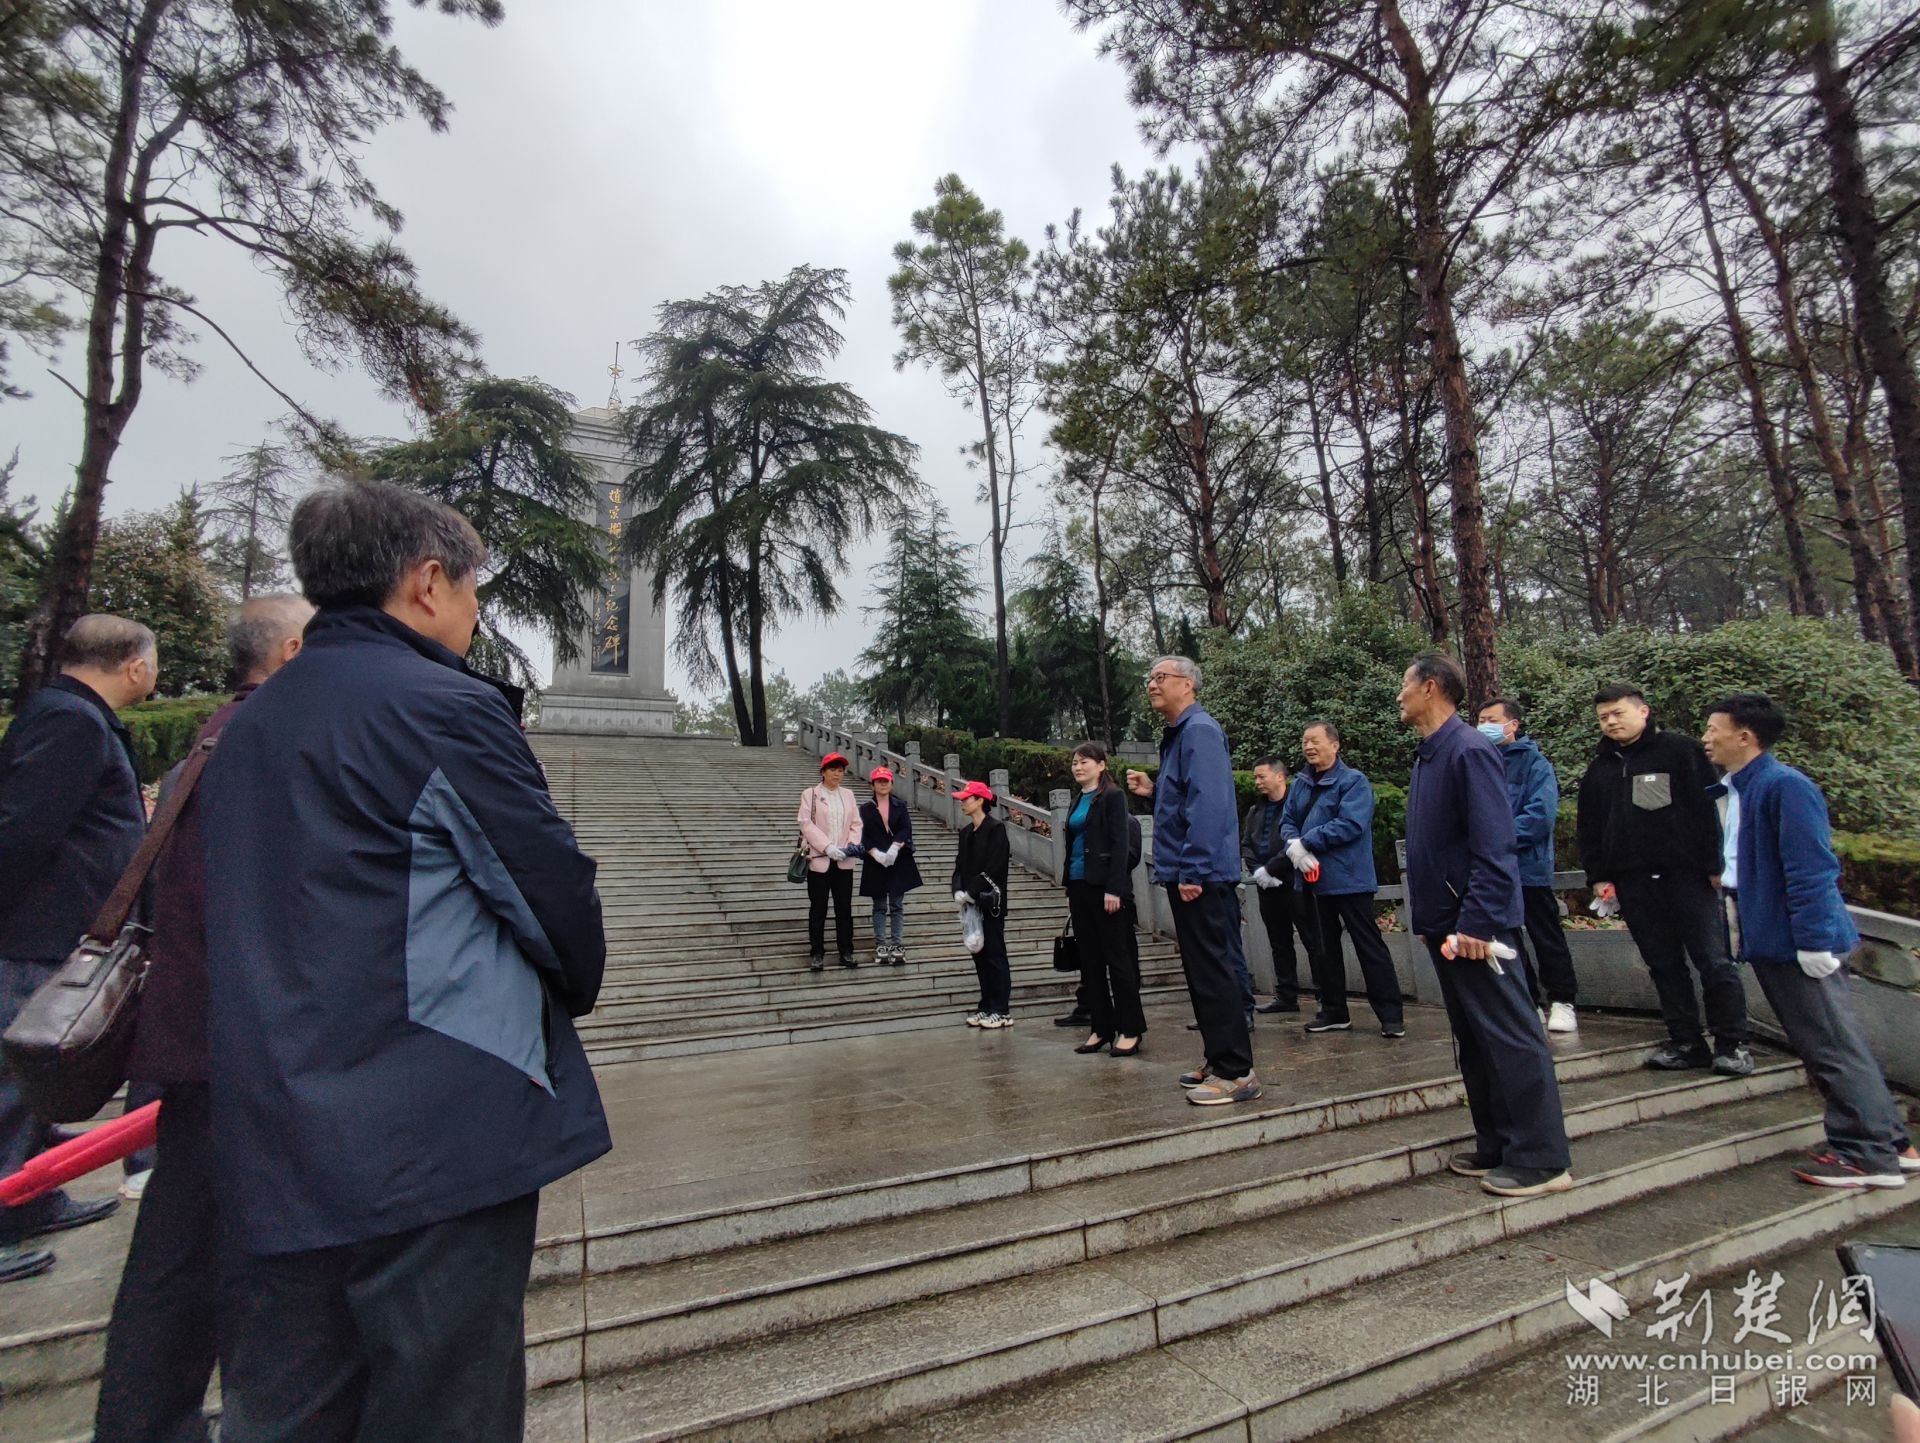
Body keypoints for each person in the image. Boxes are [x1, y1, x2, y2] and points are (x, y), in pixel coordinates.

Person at [200, 481, 611, 1443]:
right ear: (427, 582)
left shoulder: (246, 726)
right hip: (433, 1138)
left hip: (276, 1133)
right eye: (472, 589)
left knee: (288, 1411)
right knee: (443, 1407)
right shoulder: (443, 708)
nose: (475, 611)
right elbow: (550, 899)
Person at [92, 594, 314, 1443]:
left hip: (200, 1040)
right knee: (246, 1274)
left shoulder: (217, 735)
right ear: (291, 652)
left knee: (176, 1258)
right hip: (250, 1049)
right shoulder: (273, 740)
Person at [1702, 694, 1920, 1189]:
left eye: (1715, 729)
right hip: (1772, 935)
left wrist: (1815, 941)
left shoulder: (1784, 786)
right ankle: (1891, 1143)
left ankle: (1866, 1155)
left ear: (1745, 736)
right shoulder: (1741, 787)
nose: (1707, 738)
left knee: (1831, 1049)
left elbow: (1812, 869)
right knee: (1833, 1043)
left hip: (1796, 942)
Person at [0, 614, 157, 1283]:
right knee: (16, 1077)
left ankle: (31, 1197)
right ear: (134, 666)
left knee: (36, 1082)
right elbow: (22, 831)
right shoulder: (72, 722)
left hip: (60, 932)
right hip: (40, 935)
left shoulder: (71, 715)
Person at [1401, 652, 1574, 1199]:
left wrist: (1478, 920)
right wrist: (1429, 920)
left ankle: (1542, 1159)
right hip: (1446, 926)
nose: (1399, 695)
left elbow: (1494, 846)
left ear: (1431, 688)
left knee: (1509, 1036)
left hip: (1476, 927)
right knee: (1476, 1040)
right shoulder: (1430, 754)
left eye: (1405, 685)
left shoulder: (1469, 750)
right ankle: (1498, 1142)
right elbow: (1434, 848)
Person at [1578, 683, 1753, 1076]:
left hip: (1688, 876)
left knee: (1714, 961)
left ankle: (1733, 1043)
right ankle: (1686, 1041)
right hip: (1634, 882)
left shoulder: (1680, 751)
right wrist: (1598, 876)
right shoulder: (1601, 768)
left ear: (1643, 711)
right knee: (1662, 964)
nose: (1611, 722)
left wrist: (1715, 865)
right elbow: (1590, 828)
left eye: (1618, 713)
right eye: (1603, 717)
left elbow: (1710, 810)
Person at [1124, 656, 1260, 1106]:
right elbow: (1185, 799)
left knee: (1215, 971)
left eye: (1161, 677)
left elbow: (1210, 805)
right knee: (1202, 972)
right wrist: (1155, 791)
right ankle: (1219, 1058)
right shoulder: (1180, 735)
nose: (1152, 684)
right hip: (1188, 871)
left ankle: (1237, 1072)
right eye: (1150, 678)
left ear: (1188, 685)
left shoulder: (1199, 730)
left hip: (1201, 874)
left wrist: (1194, 869)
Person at [1282, 721, 1406, 1039]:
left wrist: (1307, 842)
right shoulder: (1300, 784)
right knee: (1323, 949)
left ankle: (1391, 1015)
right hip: (1313, 879)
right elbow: (1287, 820)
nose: (1309, 747)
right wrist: (1294, 846)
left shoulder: (1353, 782)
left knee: (1369, 946)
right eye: (1305, 741)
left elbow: (1350, 824)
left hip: (1350, 878)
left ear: (1335, 745)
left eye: (1315, 741)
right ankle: (1333, 1011)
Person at [1477, 697, 1579, 1033]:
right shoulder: (1479, 762)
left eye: (1492, 720)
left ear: (1513, 724)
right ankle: (1528, 1001)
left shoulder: (1536, 764)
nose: (1484, 726)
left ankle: (1563, 1000)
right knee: (1508, 940)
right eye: (1480, 720)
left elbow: (1540, 816)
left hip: (1528, 868)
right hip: (1493, 869)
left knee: (1545, 935)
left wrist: (1496, 839)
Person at [1063, 743, 1144, 1057]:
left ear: (1101, 765)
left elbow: (1120, 843)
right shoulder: (1077, 800)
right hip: (1079, 886)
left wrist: (1115, 888)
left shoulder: (1113, 796)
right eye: (1075, 762)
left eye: (1084, 762)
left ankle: (1130, 1029)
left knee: (1118, 959)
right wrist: (1069, 888)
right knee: (1091, 962)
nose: (1078, 767)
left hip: (1106, 889)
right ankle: (1100, 1028)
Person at [1242, 755, 1310, 1015]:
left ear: (1279, 776)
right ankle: (1286, 995)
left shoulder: (1296, 806)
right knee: (1278, 941)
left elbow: (1296, 843)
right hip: (1267, 885)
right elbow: (1247, 844)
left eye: (1262, 776)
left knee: (1311, 938)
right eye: (1256, 777)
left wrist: (1271, 867)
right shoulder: (1255, 810)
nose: (1257, 782)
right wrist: (1258, 871)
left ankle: (1325, 995)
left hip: (1295, 881)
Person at [952, 780, 1012, 1029]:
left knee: (995, 955)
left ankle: (1001, 1010)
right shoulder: (966, 832)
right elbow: (959, 866)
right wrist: (957, 889)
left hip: (990, 902)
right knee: (979, 955)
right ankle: (986, 1005)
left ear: (980, 800)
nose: (963, 803)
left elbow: (995, 866)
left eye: (967, 798)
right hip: (971, 904)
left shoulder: (996, 829)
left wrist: (972, 891)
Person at [799, 752, 863, 971]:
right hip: (820, 860)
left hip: (843, 860)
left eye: (841, 770)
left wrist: (849, 847)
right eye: (833, 769)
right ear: (823, 772)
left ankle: (846, 951)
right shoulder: (810, 794)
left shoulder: (848, 794)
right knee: (818, 908)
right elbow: (806, 824)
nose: (837, 774)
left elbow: (856, 823)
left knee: (844, 908)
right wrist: (827, 847)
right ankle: (817, 952)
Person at [858, 767, 922, 965]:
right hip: (875, 862)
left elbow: (905, 829)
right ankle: (881, 944)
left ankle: (897, 944)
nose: (883, 784)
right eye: (879, 781)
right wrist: (874, 852)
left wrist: (895, 847)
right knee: (879, 906)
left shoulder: (900, 806)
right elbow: (861, 835)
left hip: (897, 860)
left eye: (886, 781)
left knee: (896, 905)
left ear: (892, 784)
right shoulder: (865, 809)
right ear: (872, 785)